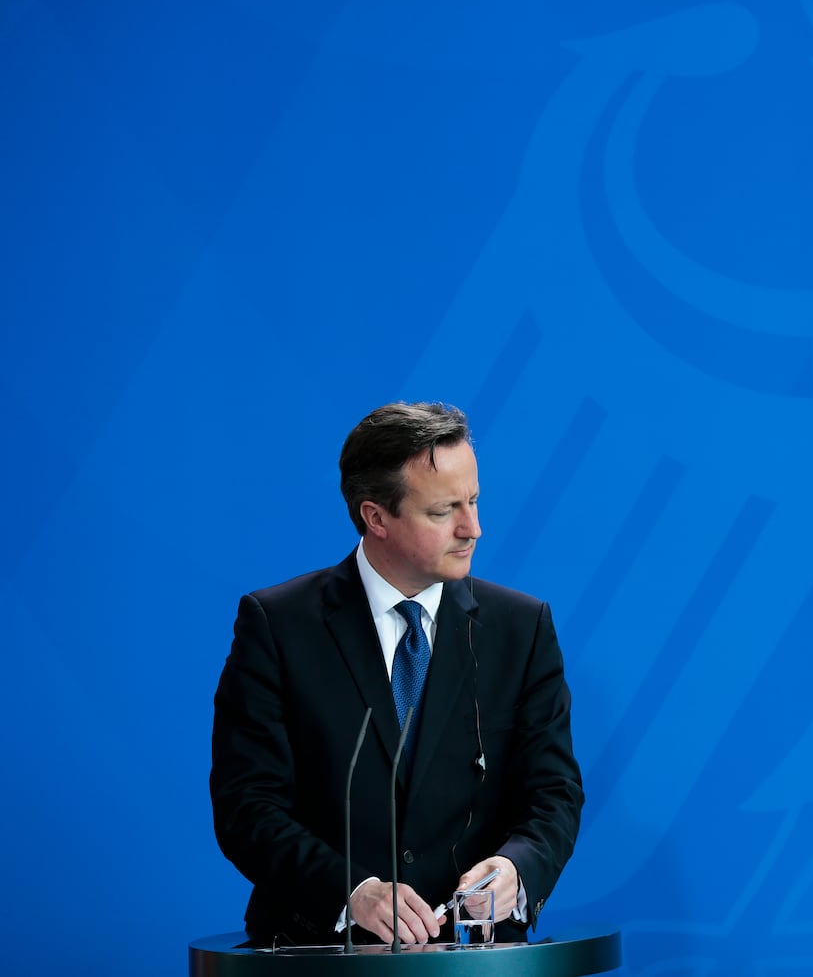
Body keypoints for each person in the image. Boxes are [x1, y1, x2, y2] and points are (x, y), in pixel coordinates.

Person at [211, 402, 584, 946]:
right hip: (317, 950)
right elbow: (247, 805)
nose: (473, 528)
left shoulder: (522, 628)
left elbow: (554, 794)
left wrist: (515, 871)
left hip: (474, 953)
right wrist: (351, 890)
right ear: (376, 517)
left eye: (474, 501)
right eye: (443, 511)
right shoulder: (278, 625)